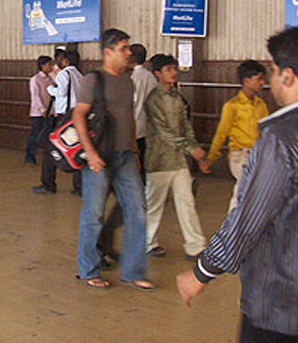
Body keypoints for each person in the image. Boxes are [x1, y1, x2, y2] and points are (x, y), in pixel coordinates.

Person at [177, 24, 298, 343]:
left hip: (278, 304)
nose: (270, 80)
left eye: (273, 71)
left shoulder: (280, 139)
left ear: (288, 75)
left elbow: (246, 221)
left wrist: (202, 272)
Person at [73, 28, 154, 290]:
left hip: (125, 156)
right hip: (99, 155)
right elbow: (78, 116)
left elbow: (129, 117)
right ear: (108, 52)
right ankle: (88, 269)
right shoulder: (93, 80)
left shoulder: (127, 81)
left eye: (128, 47)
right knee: (93, 214)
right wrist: (91, 153)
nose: (129, 52)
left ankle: (132, 271)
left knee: (138, 210)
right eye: (123, 48)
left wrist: (134, 149)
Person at [143, 54, 208, 260]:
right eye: (169, 69)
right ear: (157, 74)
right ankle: (147, 243)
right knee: (154, 205)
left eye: (174, 68)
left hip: (179, 160)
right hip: (159, 160)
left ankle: (195, 246)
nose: (174, 72)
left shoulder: (178, 98)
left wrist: (194, 149)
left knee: (186, 201)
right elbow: (163, 132)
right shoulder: (153, 99)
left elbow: (186, 127)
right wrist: (191, 149)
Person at [97, 43, 157, 262]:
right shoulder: (143, 79)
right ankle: (102, 246)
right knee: (117, 200)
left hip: (126, 145)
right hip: (123, 145)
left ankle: (106, 242)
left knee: (129, 199)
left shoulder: (128, 81)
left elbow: (129, 114)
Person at [207, 60, 269, 211]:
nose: (262, 82)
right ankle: (231, 227)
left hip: (257, 154)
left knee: (250, 192)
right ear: (247, 81)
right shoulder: (232, 106)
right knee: (243, 191)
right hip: (240, 155)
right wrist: (211, 157)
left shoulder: (261, 105)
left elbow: (267, 131)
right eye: (259, 79)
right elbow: (222, 133)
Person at [32, 49, 83, 194]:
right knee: (76, 149)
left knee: (51, 149)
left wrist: (50, 89)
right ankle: (78, 187)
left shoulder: (64, 74)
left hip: (62, 118)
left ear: (66, 61)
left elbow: (60, 93)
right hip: (75, 116)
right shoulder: (80, 75)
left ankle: (48, 184)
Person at [24, 55, 54, 166]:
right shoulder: (35, 79)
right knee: (35, 134)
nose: (51, 66)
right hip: (38, 112)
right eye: (49, 64)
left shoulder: (50, 79)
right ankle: (29, 157)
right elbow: (35, 96)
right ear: (43, 66)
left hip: (50, 111)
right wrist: (42, 109)